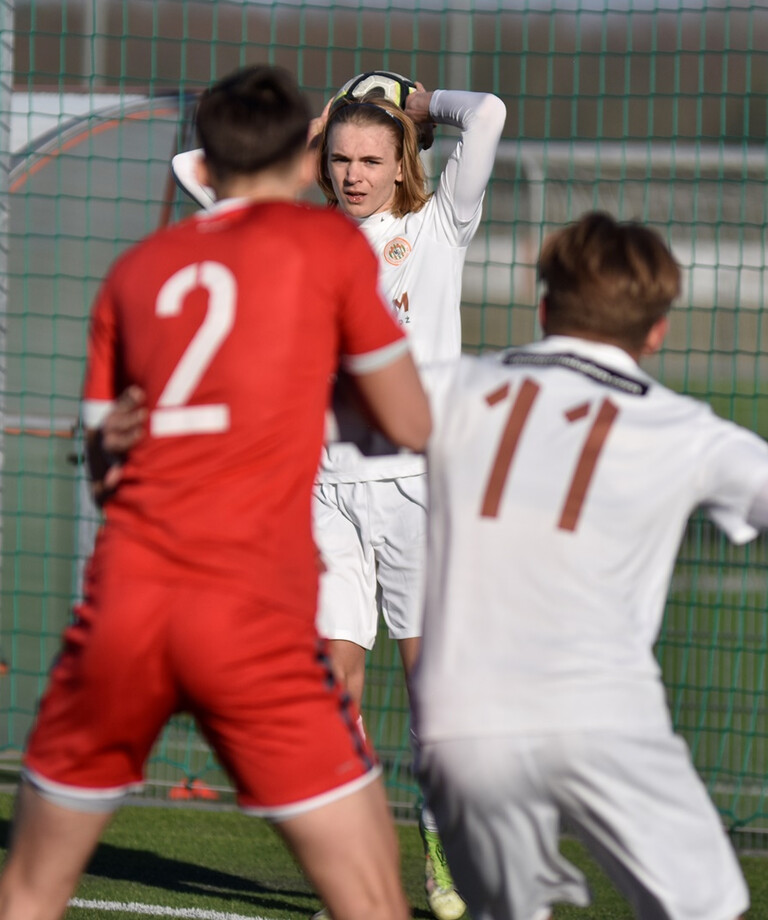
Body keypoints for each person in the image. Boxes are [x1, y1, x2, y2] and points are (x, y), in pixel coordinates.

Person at [0, 64, 431, 920]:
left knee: (29, 888)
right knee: (371, 898)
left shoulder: (138, 271)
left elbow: (102, 466)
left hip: (125, 609)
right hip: (247, 614)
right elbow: (410, 420)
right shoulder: (327, 249)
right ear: (302, 155)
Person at [173, 75, 507, 920]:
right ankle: (359, 868)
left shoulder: (435, 230)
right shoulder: (293, 235)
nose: (354, 173)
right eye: (340, 159)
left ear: (403, 167)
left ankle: (442, 842)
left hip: (414, 497)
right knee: (332, 693)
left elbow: (491, 115)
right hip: (324, 499)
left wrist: (418, 106)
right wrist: (320, 124)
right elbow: (196, 168)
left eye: (372, 159)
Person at [412, 211, 757, 920]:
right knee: (709, 908)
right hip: (605, 714)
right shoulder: (688, 431)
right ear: (656, 329)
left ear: (543, 308)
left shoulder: (446, 387)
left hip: (463, 725)